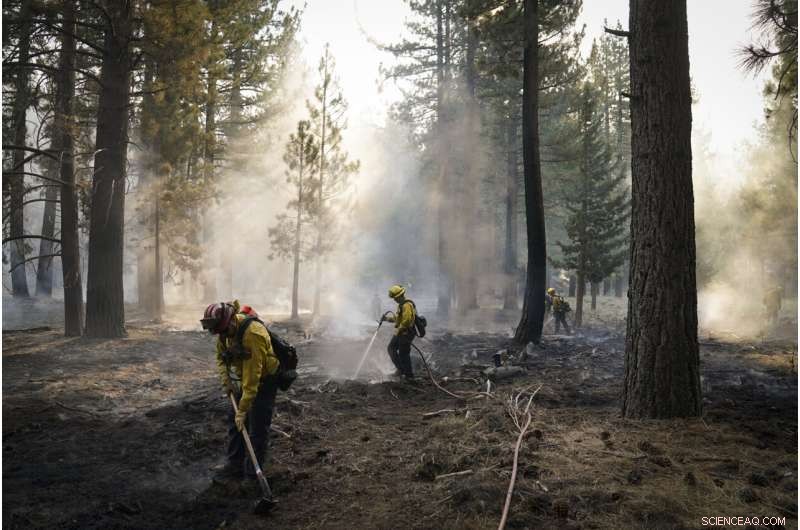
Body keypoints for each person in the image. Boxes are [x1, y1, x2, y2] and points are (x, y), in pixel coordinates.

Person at [201, 300, 280, 481]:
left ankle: (253, 476)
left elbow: (253, 380)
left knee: (257, 428)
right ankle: (234, 464)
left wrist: (243, 410)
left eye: (223, 331)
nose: (221, 335)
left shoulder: (253, 334)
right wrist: (227, 382)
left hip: (264, 381)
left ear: (230, 322)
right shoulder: (224, 333)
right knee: (235, 424)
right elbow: (221, 359)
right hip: (243, 377)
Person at [381, 285, 417, 380]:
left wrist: (398, 330)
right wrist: (387, 319)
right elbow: (398, 319)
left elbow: (406, 320)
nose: (394, 300)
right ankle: (401, 370)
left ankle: (409, 376)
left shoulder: (407, 305)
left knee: (403, 354)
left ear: (400, 296)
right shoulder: (401, 305)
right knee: (391, 348)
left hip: (406, 333)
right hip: (401, 332)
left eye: (395, 298)